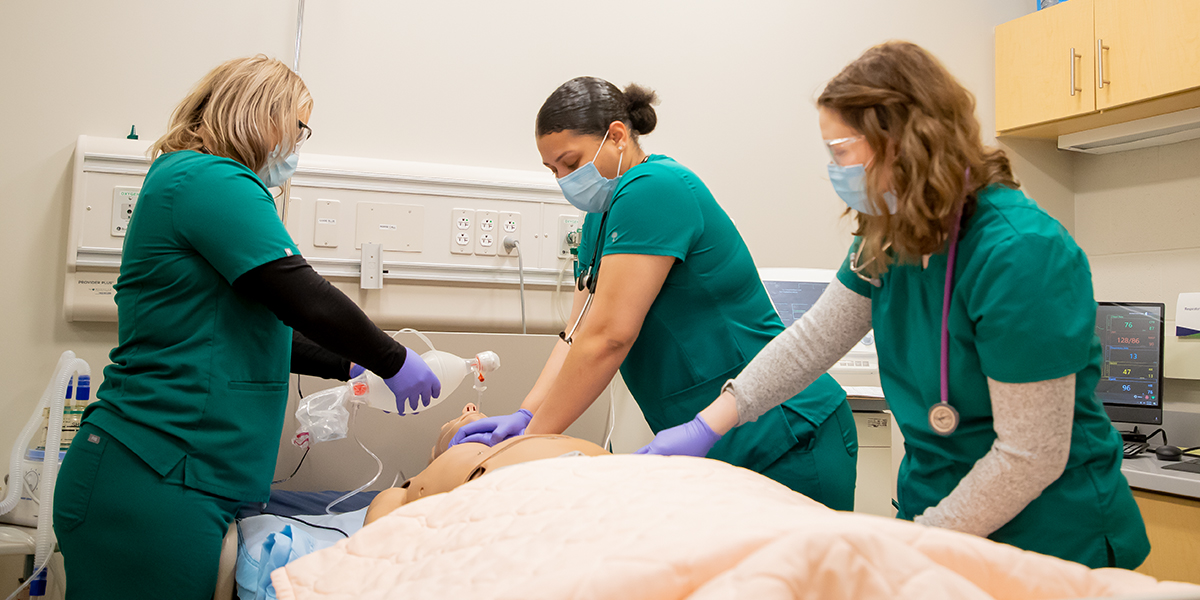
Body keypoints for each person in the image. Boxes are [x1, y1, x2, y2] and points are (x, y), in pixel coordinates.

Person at [640, 42, 1150, 569]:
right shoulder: (892, 236)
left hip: (1050, 535)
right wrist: (709, 424)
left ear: (902, 141)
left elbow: (1030, 456)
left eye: (840, 150)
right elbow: (813, 341)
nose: (835, 168)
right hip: (940, 516)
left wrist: (913, 544)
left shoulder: (1022, 252)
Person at [52, 55, 441, 600]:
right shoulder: (206, 178)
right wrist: (392, 359)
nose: (300, 144)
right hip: (153, 473)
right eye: (300, 127)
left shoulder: (195, 182)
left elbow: (246, 332)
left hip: (178, 474)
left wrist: (346, 361)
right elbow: (300, 295)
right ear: (263, 115)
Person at [449, 77, 858, 510]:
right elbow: (577, 333)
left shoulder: (654, 188)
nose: (565, 181)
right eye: (554, 171)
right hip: (718, 442)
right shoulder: (600, 219)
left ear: (618, 136)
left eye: (571, 163)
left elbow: (609, 337)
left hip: (785, 432)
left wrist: (527, 444)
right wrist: (527, 413)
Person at [365, 403, 610, 525]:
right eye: (458, 419)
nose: (471, 408)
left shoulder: (507, 443)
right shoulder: (401, 494)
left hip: (598, 473)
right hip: (565, 481)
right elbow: (377, 544)